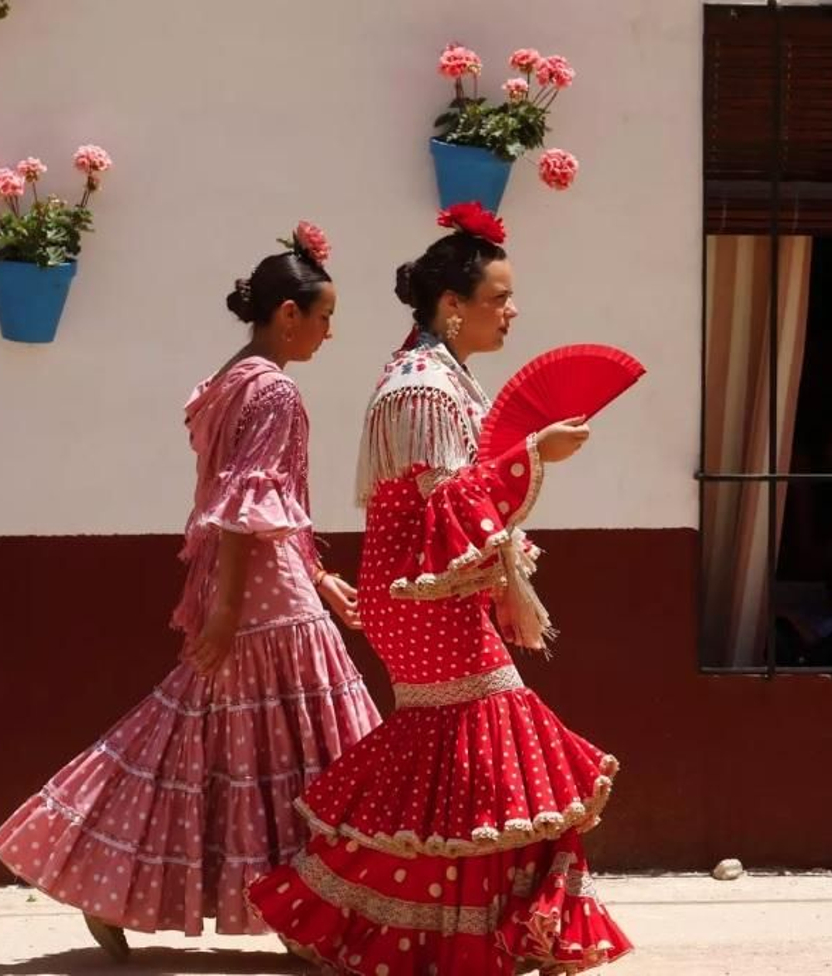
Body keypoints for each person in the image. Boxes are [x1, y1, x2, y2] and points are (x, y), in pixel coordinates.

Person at [248, 205, 633, 974]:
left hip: (431, 598)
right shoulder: (423, 385)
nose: (512, 311)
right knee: (484, 743)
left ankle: (444, 922)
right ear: (451, 307)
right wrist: (535, 448)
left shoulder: (440, 376)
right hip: (421, 602)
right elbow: (452, 504)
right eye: (498, 298)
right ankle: (413, 918)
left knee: (462, 754)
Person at [0, 222, 381, 959]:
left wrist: (319, 576)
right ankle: (312, 914)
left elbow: (253, 503)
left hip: (254, 587)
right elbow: (244, 506)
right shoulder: (276, 395)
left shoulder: (226, 384)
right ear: (288, 315)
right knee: (325, 751)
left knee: (208, 741)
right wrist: (236, 608)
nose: (330, 334)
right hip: (263, 599)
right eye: (324, 317)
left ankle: (100, 874)